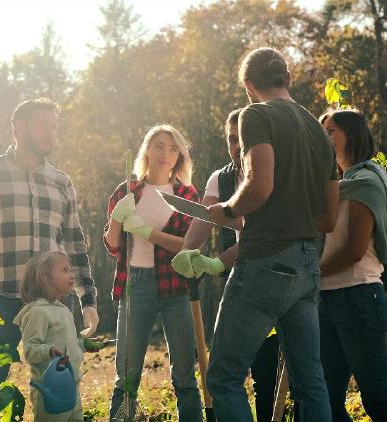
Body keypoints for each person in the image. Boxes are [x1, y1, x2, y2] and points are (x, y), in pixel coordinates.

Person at [201, 47, 340, 422]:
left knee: (224, 378)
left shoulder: (255, 114)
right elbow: (329, 218)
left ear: (248, 85)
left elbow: (259, 186)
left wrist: (227, 210)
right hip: (308, 263)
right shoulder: (319, 130)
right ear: (287, 79)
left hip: (265, 261)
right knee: (311, 380)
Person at [0, 98, 99, 421]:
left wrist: (87, 299)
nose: (51, 133)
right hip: (0, 300)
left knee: (58, 393)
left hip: (51, 307)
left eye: (54, 126)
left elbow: (75, 246)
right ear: (19, 127)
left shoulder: (62, 183)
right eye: (43, 125)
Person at [175, 108, 288, 422]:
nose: (237, 146)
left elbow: (260, 235)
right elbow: (205, 217)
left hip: (282, 277)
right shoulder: (222, 178)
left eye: (242, 138)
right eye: (231, 140)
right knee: (240, 370)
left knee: (273, 374)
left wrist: (216, 263)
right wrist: (187, 251)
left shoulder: (274, 174)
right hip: (246, 282)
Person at [104, 124, 203, 421]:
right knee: (127, 376)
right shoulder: (127, 191)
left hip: (176, 289)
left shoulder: (186, 194)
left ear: (179, 157)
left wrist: (145, 231)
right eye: (159, 145)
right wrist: (118, 220)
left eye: (173, 148)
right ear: (147, 150)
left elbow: (188, 245)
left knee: (185, 374)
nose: (165, 153)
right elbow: (112, 244)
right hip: (136, 286)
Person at [318, 109, 387, 421]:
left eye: (331, 131)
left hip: (358, 299)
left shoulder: (365, 181)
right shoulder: (338, 185)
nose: (324, 139)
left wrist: (309, 275)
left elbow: (353, 250)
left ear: (352, 134)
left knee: (377, 402)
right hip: (327, 299)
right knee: (325, 402)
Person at [14, 252, 103, 421]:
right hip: (49, 389)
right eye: (65, 270)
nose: (72, 275)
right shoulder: (37, 312)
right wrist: (49, 351)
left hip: (70, 385)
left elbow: (65, 343)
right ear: (44, 278)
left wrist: (84, 345)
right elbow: (30, 349)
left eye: (71, 270)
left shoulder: (62, 309)